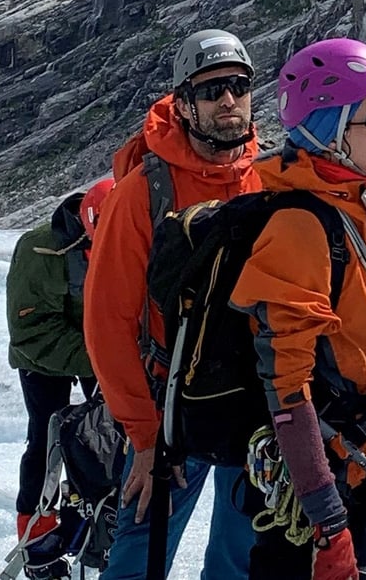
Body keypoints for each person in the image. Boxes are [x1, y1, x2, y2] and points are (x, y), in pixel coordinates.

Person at [228, 37, 366, 580]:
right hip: (317, 472)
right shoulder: (300, 225)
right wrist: (324, 516)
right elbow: (287, 384)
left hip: (357, 452)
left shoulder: (360, 207)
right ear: (329, 131)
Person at [83, 29, 262, 579]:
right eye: (212, 91)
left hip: (254, 399)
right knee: (139, 559)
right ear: (184, 104)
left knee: (245, 554)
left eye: (238, 86)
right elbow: (107, 322)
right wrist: (141, 435)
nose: (228, 100)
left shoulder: (263, 180)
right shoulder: (144, 191)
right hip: (170, 409)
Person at [6, 178, 114, 548]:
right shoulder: (38, 250)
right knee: (46, 437)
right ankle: (36, 533)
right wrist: (105, 355)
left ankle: (95, 515)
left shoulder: (131, 236)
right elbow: (32, 329)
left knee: (108, 437)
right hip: (44, 354)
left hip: (101, 344)